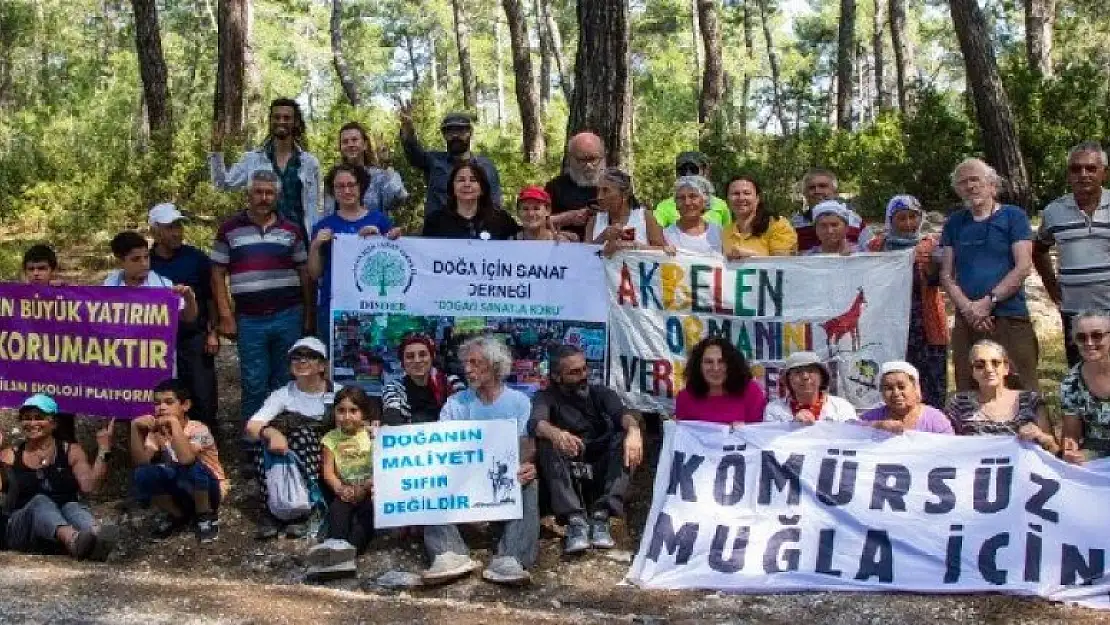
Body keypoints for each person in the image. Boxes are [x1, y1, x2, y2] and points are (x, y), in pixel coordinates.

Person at [421, 336, 538, 586]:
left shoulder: (518, 402)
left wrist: (525, 465)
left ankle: (511, 558)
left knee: (531, 481)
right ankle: (448, 553)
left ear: (495, 365)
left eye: (475, 362)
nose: (467, 369)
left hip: (501, 485)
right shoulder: (455, 404)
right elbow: (442, 448)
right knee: (428, 479)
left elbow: (525, 446)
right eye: (465, 363)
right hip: (463, 485)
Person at [211, 169, 314, 421]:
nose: (264, 198)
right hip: (250, 319)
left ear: (276, 196)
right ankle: (253, 442)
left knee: (286, 378)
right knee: (254, 381)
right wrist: (225, 314)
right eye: (258, 192)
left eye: (269, 193)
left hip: (288, 315)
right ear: (248, 194)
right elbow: (216, 273)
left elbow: (305, 274)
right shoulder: (229, 230)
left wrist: (309, 315)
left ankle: (282, 434)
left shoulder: (292, 229)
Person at [530, 345, 643, 555]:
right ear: (556, 376)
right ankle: (576, 522)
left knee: (624, 437)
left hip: (599, 467)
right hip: (566, 473)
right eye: (574, 372)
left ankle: (601, 517)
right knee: (547, 442)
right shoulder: (545, 397)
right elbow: (537, 422)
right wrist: (557, 435)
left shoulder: (600, 393)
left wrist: (634, 430)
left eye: (584, 369)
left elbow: (622, 413)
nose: (583, 376)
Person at [941, 158, 1038, 392]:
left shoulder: (1013, 217)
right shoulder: (954, 223)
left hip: (1009, 316)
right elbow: (946, 274)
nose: (970, 186)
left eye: (975, 180)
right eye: (963, 182)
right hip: (967, 321)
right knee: (968, 388)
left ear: (992, 185)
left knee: (1022, 388)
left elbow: (1023, 266)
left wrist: (988, 302)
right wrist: (968, 309)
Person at [0, 394, 117, 560]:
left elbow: (89, 487)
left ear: (53, 423)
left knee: (72, 506)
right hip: (21, 530)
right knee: (40, 501)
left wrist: (104, 449)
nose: (32, 423)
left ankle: (96, 536)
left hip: (55, 530)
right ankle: (73, 540)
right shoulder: (10, 455)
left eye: (39, 418)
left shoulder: (71, 451)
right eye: (26, 418)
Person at [245, 337, 335, 539]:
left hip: (326, 458)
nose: (302, 361)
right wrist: (271, 433)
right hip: (288, 457)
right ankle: (273, 509)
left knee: (304, 436)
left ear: (322, 365)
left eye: (310, 356)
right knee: (265, 444)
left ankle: (310, 509)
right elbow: (252, 427)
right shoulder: (283, 394)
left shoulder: (336, 392)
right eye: (297, 357)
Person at [866, 195, 949, 409]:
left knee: (930, 382)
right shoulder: (876, 247)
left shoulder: (931, 245)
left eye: (913, 217)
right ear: (890, 220)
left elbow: (940, 279)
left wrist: (929, 264)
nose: (908, 224)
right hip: (888, 323)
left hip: (924, 322)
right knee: (894, 377)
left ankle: (932, 424)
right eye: (901, 218)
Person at [1033, 141, 1110, 367]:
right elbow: (1039, 250)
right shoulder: (1054, 211)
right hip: (1074, 310)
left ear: (1103, 173)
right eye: (1076, 169)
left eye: (1091, 168)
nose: (1083, 174)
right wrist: (1052, 288)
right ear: (1068, 174)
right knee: (1080, 372)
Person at [308, 163, 401, 346]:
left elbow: (395, 260)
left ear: (361, 187)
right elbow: (314, 273)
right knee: (335, 363)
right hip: (334, 306)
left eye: (351, 184)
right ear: (333, 191)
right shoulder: (324, 225)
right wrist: (316, 245)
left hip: (372, 306)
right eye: (340, 186)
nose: (346, 190)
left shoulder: (379, 220)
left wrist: (382, 238)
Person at [148, 203, 220, 431]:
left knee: (202, 393)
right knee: (167, 393)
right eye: (170, 227)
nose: (177, 232)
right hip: (159, 341)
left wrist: (213, 332)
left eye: (179, 226)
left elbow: (211, 297)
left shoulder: (196, 258)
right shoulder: (146, 262)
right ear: (155, 231)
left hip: (194, 336)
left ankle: (207, 443)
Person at [130, 379, 226, 543]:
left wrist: (174, 424)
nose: (161, 407)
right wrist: (135, 429)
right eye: (157, 403)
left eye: (169, 402)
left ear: (185, 405)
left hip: (209, 490)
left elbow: (187, 458)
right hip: (182, 487)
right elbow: (141, 462)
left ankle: (205, 516)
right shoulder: (157, 432)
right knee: (143, 474)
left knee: (193, 467)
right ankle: (178, 516)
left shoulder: (198, 428)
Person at [210, 97, 321, 239]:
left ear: (295, 122)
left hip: (301, 242)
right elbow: (222, 184)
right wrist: (216, 150)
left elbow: (314, 209)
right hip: (264, 243)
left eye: (287, 118)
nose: (281, 121)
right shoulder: (252, 159)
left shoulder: (310, 163)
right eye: (277, 117)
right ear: (270, 120)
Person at [309, 386, 377, 580]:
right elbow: (328, 471)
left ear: (363, 413)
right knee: (337, 513)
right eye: (341, 410)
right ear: (335, 412)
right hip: (344, 492)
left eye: (353, 411)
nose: (347, 416)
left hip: (368, 492)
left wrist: (365, 487)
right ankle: (335, 548)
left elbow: (380, 468)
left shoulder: (371, 436)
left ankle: (350, 553)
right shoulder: (331, 439)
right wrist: (340, 489)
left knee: (367, 517)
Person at [945, 341, 1058, 453]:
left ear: (1006, 368)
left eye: (995, 363)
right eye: (980, 365)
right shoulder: (958, 404)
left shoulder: (1030, 401)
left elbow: (1055, 451)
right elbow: (946, 446)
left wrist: (1041, 437)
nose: (989, 369)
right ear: (972, 372)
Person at [400, 107, 502, 219]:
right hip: (438, 232)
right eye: (450, 131)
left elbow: (495, 204)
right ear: (444, 135)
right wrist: (408, 130)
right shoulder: (434, 161)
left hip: (474, 232)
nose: (455, 135)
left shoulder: (486, 166)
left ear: (470, 133)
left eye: (460, 130)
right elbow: (413, 154)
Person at [20, 245, 75, 442]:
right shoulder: (14, 297)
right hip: (30, 369)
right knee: (34, 415)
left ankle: (66, 456)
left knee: (63, 417)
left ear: (53, 270)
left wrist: (65, 293)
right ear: (25, 271)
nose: (36, 273)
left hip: (62, 370)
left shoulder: (65, 295)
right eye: (31, 269)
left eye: (42, 268)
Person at [103, 230, 199, 324]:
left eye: (146, 257)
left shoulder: (164, 285)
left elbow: (188, 318)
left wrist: (189, 299)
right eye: (136, 259)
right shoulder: (110, 284)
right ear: (120, 262)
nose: (144, 264)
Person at [674, 337, 766, 425]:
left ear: (732, 364)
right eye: (708, 362)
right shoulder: (685, 397)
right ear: (698, 366)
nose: (716, 368)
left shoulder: (751, 392)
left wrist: (743, 430)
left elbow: (758, 435)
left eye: (722, 361)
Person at [422, 160, 520, 240]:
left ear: (482, 189)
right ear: (452, 188)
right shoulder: (435, 221)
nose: (467, 184)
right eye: (461, 180)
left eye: (473, 180)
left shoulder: (501, 220)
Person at [326, 121, 409, 216]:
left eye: (354, 140)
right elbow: (328, 213)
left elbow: (399, 198)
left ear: (365, 145)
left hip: (375, 229)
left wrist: (387, 167)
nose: (350, 144)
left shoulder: (379, 176)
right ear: (340, 147)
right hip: (341, 230)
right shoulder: (334, 177)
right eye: (345, 142)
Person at [1059, 311, 1110, 463]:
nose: (1089, 343)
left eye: (1097, 335)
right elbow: (1071, 434)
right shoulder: (1071, 384)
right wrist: (1070, 447)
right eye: (1081, 337)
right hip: (1096, 451)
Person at [381, 334, 464, 426]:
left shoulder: (452, 382)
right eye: (410, 356)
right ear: (402, 362)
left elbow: (465, 413)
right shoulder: (395, 387)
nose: (417, 360)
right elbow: (393, 420)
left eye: (422, 354)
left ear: (432, 357)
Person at [583, 168, 668, 257]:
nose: (599, 197)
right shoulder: (593, 221)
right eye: (598, 191)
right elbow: (585, 256)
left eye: (606, 190)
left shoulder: (645, 217)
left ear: (625, 195)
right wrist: (603, 237)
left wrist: (635, 246)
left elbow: (664, 251)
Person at [859, 361, 954, 434]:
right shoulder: (873, 417)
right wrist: (878, 425)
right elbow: (848, 428)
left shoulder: (935, 420)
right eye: (889, 388)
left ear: (915, 388)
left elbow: (949, 450)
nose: (896, 393)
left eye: (901, 387)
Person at [763, 352, 857, 423]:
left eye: (811, 371)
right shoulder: (774, 410)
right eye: (798, 372)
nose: (805, 377)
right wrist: (793, 425)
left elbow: (851, 439)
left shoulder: (842, 407)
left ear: (822, 377)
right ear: (788, 380)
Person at [790, 168, 870, 252]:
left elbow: (870, 252)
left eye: (822, 186)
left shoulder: (855, 220)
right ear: (805, 193)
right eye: (811, 188)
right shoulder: (795, 224)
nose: (817, 191)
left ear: (835, 191)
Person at [546, 132, 606, 240]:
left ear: (603, 157)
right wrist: (564, 218)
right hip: (567, 250)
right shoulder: (555, 187)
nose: (589, 166)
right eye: (582, 160)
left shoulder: (616, 185)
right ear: (570, 159)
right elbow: (535, 223)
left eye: (593, 159)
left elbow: (635, 217)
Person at [722, 176, 797, 258]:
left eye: (747, 193)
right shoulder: (725, 233)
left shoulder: (778, 225)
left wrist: (753, 258)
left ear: (757, 198)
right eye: (735, 194)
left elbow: (784, 265)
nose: (741, 198)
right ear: (727, 200)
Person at [653, 152, 732, 228]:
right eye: (683, 170)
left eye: (693, 169)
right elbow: (652, 231)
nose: (688, 174)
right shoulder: (664, 207)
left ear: (705, 171)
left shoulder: (720, 205)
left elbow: (728, 235)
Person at [661, 176, 725, 255]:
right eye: (681, 198)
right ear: (676, 203)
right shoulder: (666, 236)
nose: (687, 202)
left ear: (705, 200)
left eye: (693, 196)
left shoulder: (719, 233)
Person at [513, 186, 578, 241]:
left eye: (536, 208)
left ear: (548, 211)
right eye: (525, 209)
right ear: (518, 212)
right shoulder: (510, 242)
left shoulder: (561, 241)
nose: (531, 214)